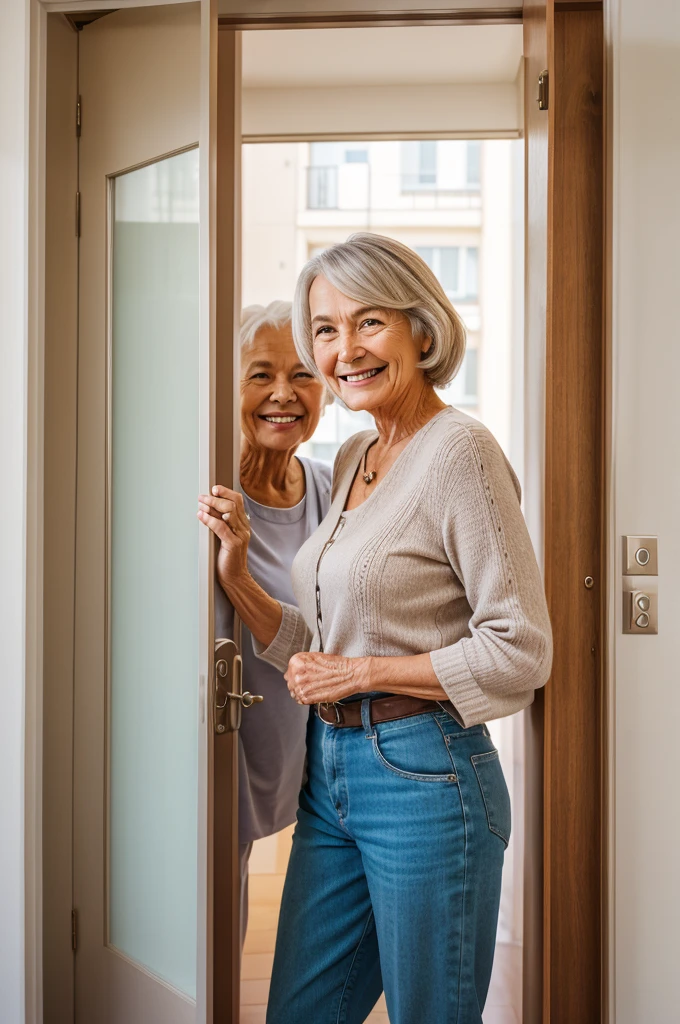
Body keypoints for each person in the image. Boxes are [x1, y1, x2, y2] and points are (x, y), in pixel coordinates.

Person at [197, 235, 552, 1023]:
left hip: (428, 778)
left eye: (369, 323)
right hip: (333, 776)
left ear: (421, 330)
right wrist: (238, 580)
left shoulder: (460, 452)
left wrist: (362, 676)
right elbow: (326, 645)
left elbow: (520, 649)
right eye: (325, 328)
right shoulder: (358, 453)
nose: (343, 349)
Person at [199, 300, 331, 945]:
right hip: (218, 753)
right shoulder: (209, 498)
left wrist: (241, 579)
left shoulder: (335, 492)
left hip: (307, 756)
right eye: (260, 375)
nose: (284, 394)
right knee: (214, 937)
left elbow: (333, 645)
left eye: (302, 373)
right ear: (228, 385)